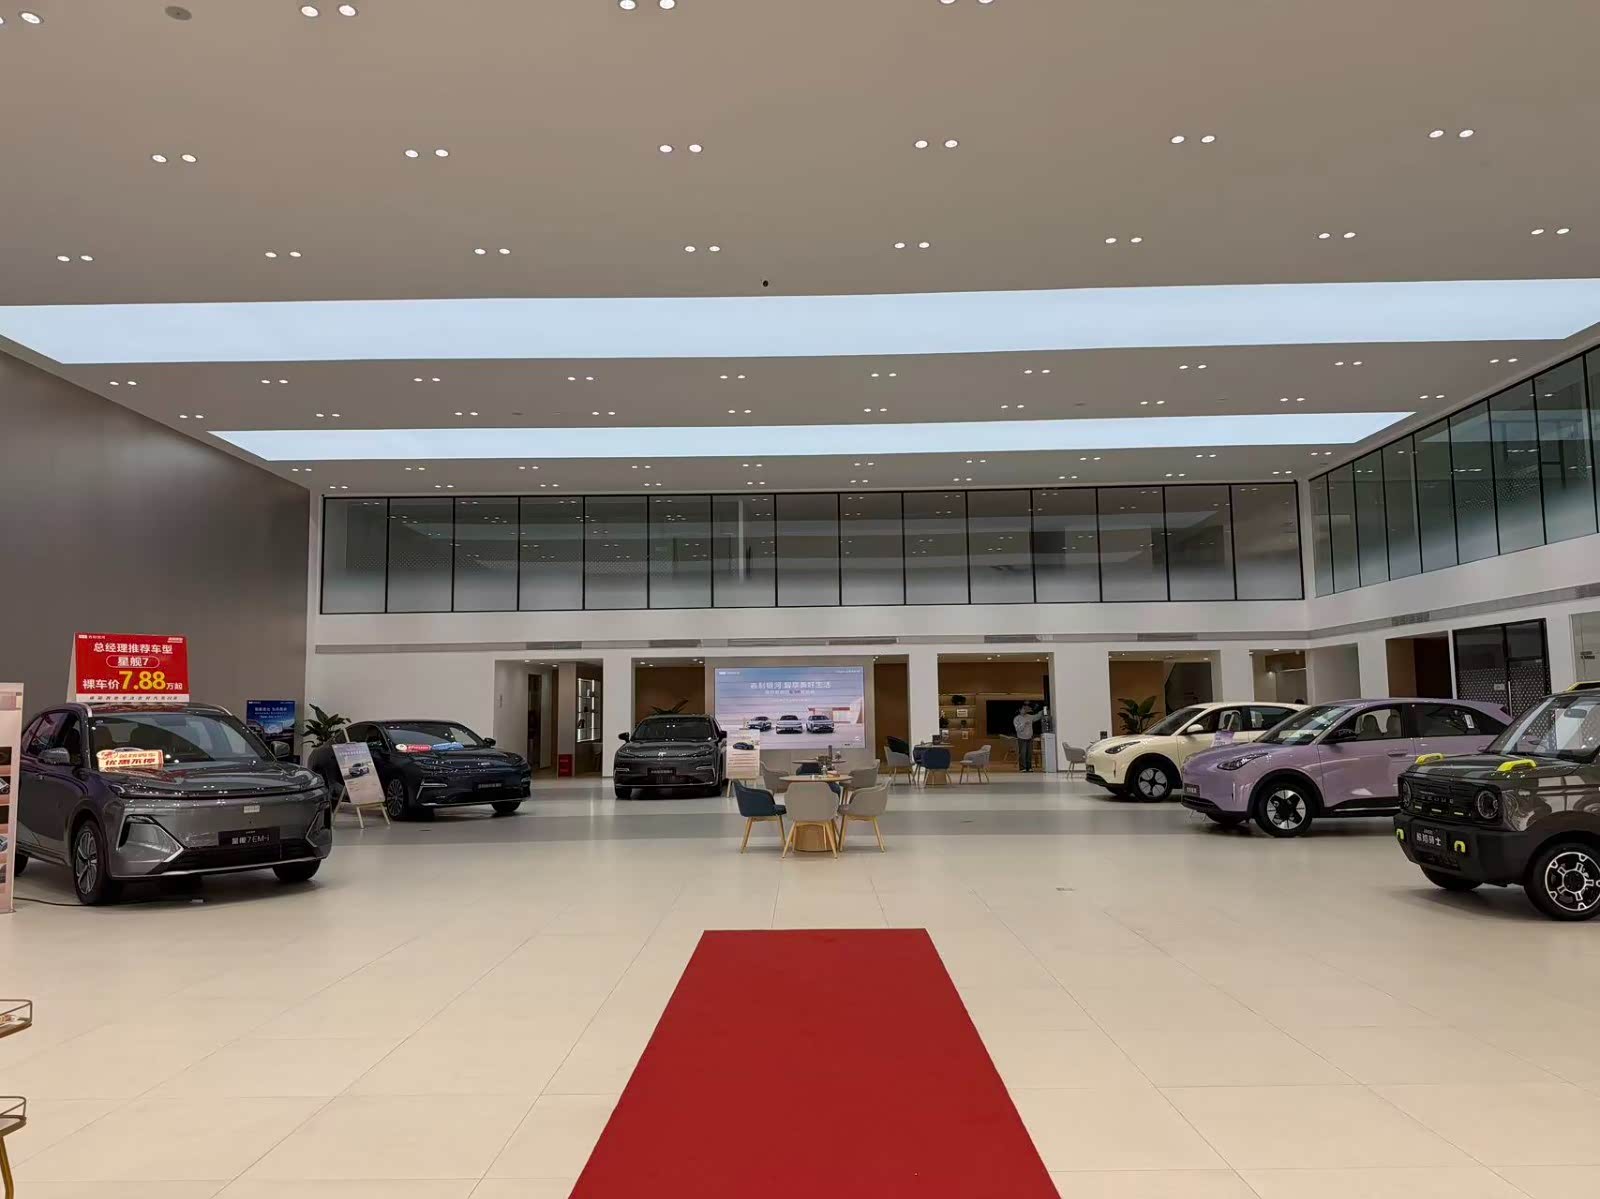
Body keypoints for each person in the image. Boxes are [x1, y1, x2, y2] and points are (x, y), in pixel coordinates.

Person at [1013, 703, 1043, 772]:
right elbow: (1018, 729)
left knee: (1029, 753)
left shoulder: (1029, 716)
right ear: (1020, 710)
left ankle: (1029, 767)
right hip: (1021, 738)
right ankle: (1022, 768)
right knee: (1023, 753)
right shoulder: (1016, 718)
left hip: (1029, 738)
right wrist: (1024, 723)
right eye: (1023, 708)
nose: (1025, 710)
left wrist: (1042, 711)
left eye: (1025, 708)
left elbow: (1037, 716)